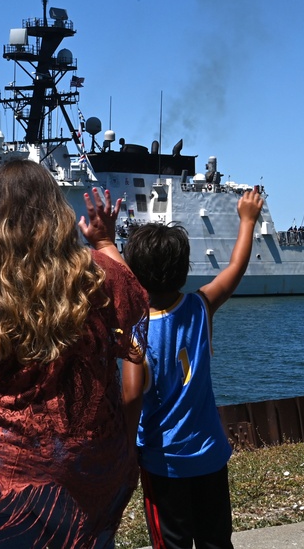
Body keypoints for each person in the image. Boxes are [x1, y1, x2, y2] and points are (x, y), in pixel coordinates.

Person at [0, 159, 149, 548]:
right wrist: (105, 242)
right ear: (57, 212)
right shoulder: (94, 275)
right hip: (80, 461)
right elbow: (134, 296)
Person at [122, 187, 264, 549]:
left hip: (163, 462)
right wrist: (247, 220)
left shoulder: (136, 333)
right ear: (185, 269)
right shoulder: (200, 308)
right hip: (209, 454)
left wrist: (105, 239)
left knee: (173, 543)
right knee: (217, 541)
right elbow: (235, 268)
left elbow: (131, 396)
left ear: (134, 277)